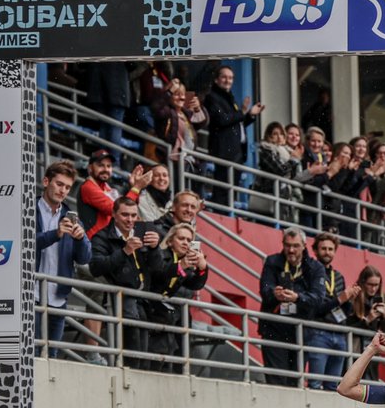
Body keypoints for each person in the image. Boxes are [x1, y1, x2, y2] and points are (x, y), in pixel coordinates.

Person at [90, 196, 160, 368]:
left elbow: (157, 268)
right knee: (130, 356)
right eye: (125, 215)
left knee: (144, 358)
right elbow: (96, 267)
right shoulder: (102, 237)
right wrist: (125, 251)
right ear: (114, 214)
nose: (130, 220)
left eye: (133, 215)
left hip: (143, 300)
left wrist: (155, 248)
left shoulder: (143, 232)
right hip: (120, 300)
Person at [35, 161, 91, 357]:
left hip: (58, 298)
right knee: (32, 353)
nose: (63, 191)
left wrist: (81, 239)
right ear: (46, 181)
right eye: (59, 184)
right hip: (30, 294)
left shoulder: (71, 217)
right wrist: (55, 234)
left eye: (67, 187)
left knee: (52, 357)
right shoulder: (27, 208)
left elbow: (85, 258)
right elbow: (22, 244)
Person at [258, 227, 325, 386]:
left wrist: (298, 298)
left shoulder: (315, 267)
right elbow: (264, 288)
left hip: (301, 332)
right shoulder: (272, 262)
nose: (291, 250)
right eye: (287, 245)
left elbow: (318, 298)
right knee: (276, 380)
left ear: (304, 246)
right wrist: (274, 293)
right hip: (274, 329)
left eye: (295, 246)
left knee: (295, 382)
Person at [146, 222, 209, 369]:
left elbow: (195, 284)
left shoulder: (183, 261)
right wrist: (181, 266)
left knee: (176, 355)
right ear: (169, 241)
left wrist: (202, 268)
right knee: (155, 358)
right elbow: (159, 276)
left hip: (167, 313)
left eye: (189, 240)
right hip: (151, 309)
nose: (185, 243)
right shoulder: (161, 255)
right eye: (181, 239)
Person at [202, 65, 264, 208]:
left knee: (231, 192)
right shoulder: (212, 97)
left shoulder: (230, 98)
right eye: (224, 77)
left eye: (230, 78)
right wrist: (242, 113)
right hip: (223, 151)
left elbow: (235, 124)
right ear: (216, 80)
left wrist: (250, 115)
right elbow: (222, 120)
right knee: (222, 190)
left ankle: (225, 214)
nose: (228, 80)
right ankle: (220, 215)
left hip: (236, 152)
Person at [306, 232, 361, 390]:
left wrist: (350, 299)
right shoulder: (310, 272)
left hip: (339, 334)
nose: (327, 252)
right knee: (315, 384)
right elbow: (315, 308)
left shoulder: (338, 276)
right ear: (315, 250)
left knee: (333, 387)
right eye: (323, 248)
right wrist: (341, 298)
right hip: (319, 333)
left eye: (330, 249)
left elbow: (343, 312)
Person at [346, 265, 385, 381]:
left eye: (376, 285)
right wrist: (367, 320)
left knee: (369, 383)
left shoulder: (384, 299)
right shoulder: (354, 296)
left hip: (372, 350)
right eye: (370, 284)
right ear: (362, 283)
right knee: (352, 380)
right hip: (355, 348)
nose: (373, 288)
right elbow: (346, 325)